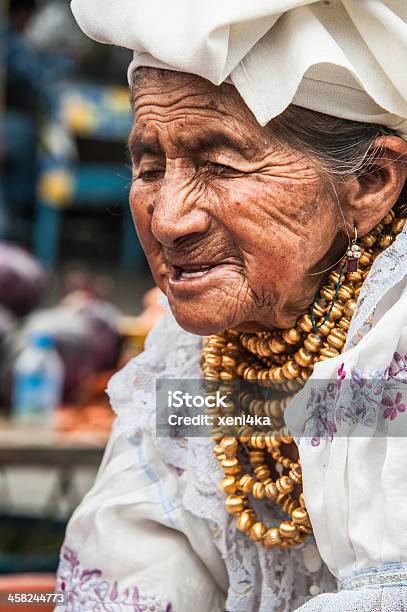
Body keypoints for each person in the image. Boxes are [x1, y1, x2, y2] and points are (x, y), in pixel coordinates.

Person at [57, 2, 407, 610]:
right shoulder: (188, 359)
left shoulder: (393, 340)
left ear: (370, 182)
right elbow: (132, 566)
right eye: (149, 167)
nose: (168, 220)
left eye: (219, 164)